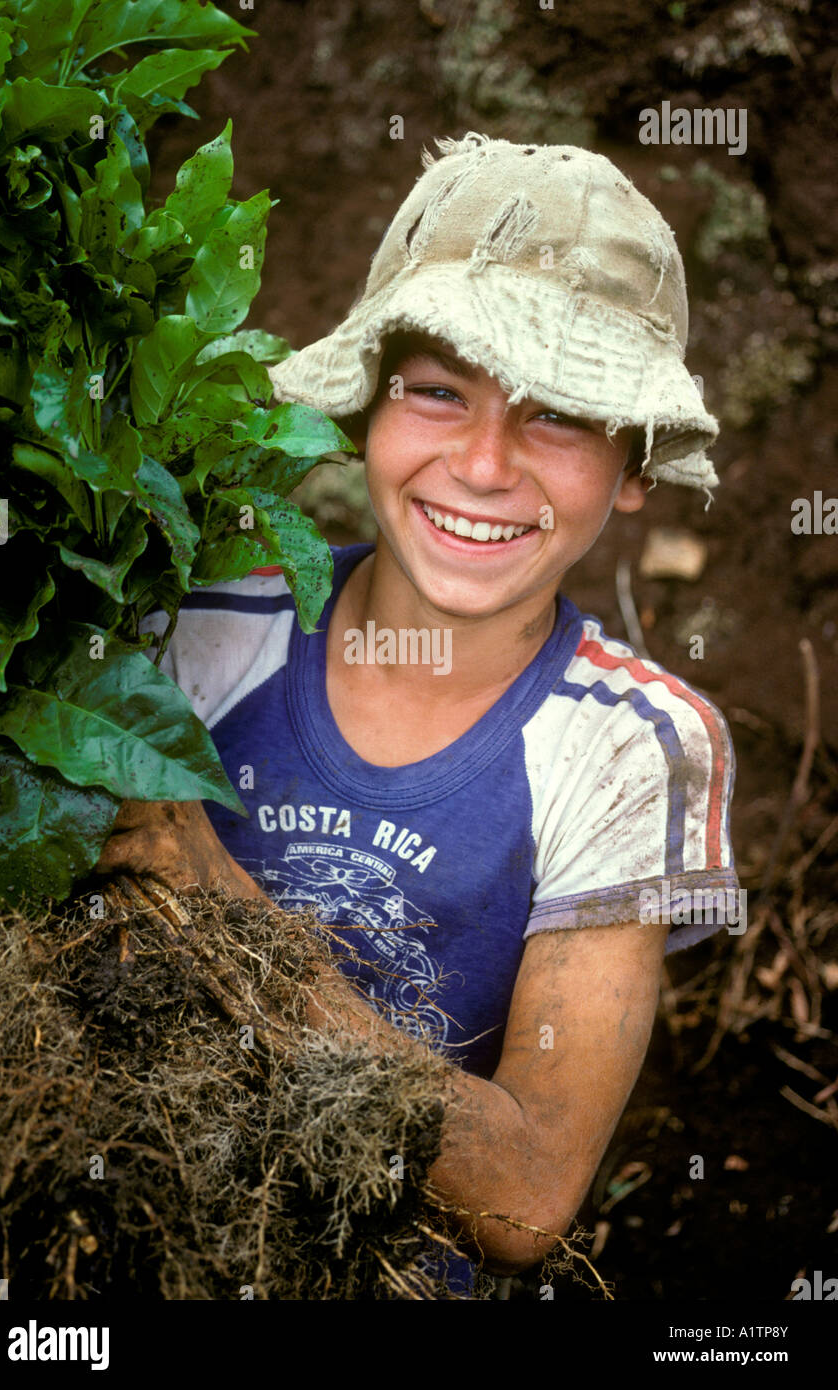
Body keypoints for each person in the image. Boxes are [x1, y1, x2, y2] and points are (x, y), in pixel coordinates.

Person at [92, 133, 741, 1296]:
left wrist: (212, 899)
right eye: (437, 392)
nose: (483, 464)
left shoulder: (629, 744)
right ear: (362, 409)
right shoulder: (190, 625)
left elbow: (529, 1194)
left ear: (634, 466)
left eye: (560, 416)